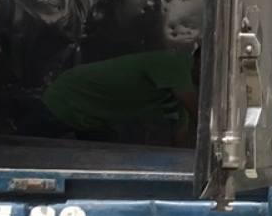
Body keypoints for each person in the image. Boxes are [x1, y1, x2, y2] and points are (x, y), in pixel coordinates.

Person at [36, 49, 199, 144]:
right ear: (202, 60)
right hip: (68, 98)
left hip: (92, 118)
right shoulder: (175, 62)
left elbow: (181, 133)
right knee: (32, 150)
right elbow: (198, 115)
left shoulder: (179, 91)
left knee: (106, 157)